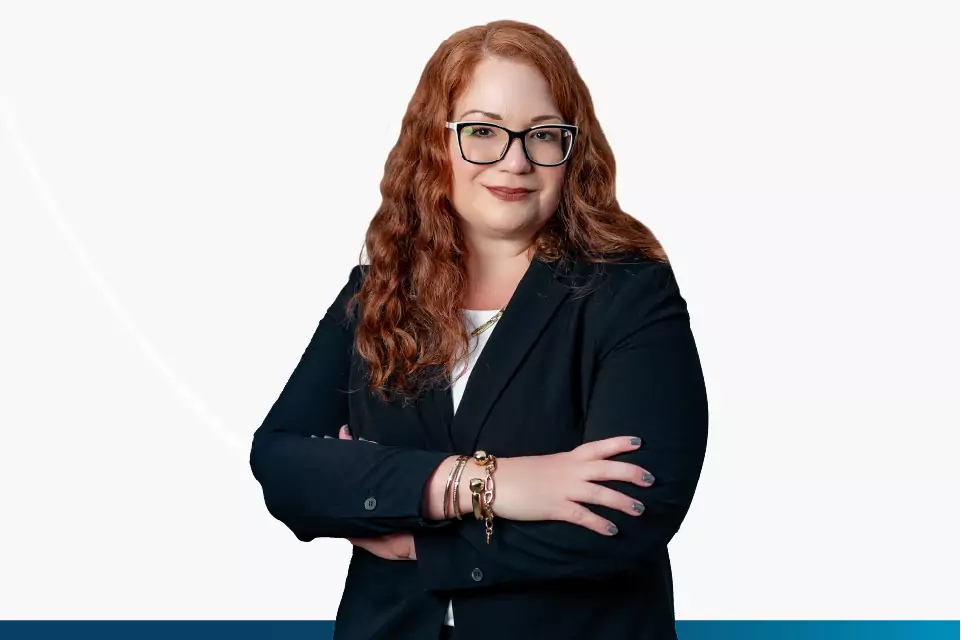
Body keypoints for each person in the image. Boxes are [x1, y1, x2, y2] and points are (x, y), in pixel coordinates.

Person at [249, 19, 708, 640]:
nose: (515, 161)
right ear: (434, 143)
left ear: (573, 150)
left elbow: (628, 511)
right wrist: (483, 484)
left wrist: (415, 535)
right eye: (483, 131)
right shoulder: (376, 291)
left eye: (542, 134)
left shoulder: (629, 292)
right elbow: (283, 465)